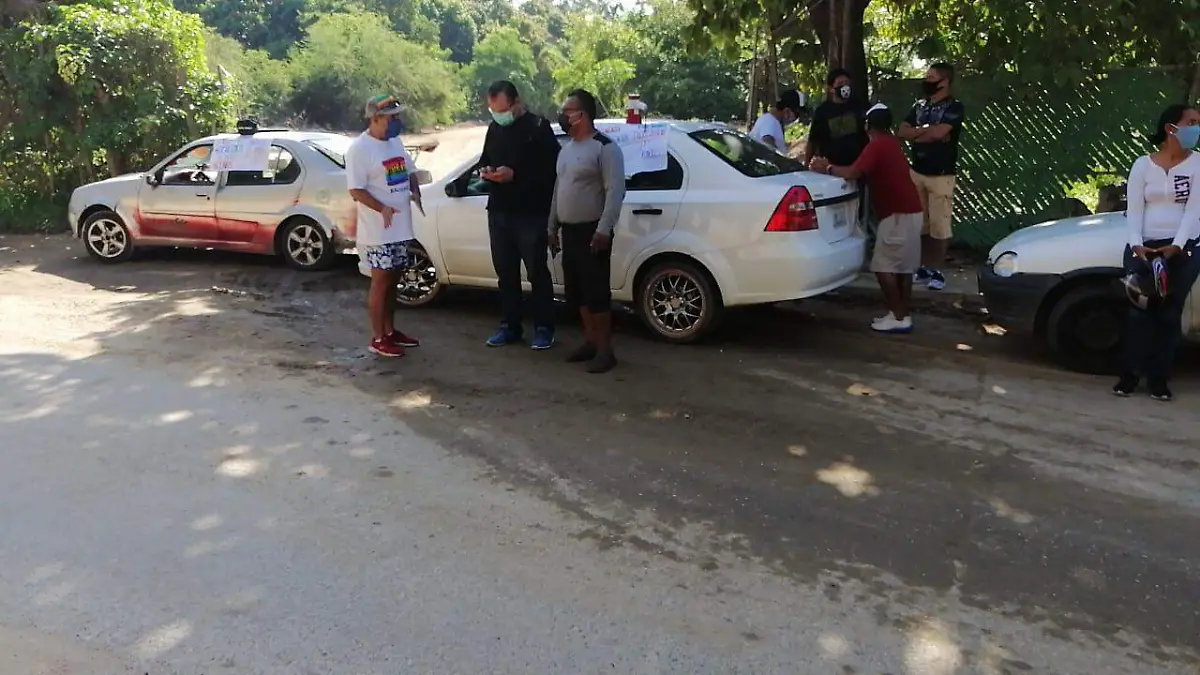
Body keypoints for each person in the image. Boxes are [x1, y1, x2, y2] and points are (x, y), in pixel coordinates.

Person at [810, 104, 924, 333]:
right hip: (910, 211)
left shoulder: (877, 145)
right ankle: (902, 315)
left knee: (883, 266)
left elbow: (853, 173)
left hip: (897, 214)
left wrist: (827, 167)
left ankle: (898, 316)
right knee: (903, 268)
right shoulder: (891, 143)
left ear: (867, 126)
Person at [1113, 104, 1200, 402]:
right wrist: (1137, 245)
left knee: (1169, 314)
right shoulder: (1142, 165)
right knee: (1138, 312)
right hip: (1144, 250)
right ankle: (1129, 374)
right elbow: (1135, 209)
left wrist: (1177, 245)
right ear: (1170, 128)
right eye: (1191, 122)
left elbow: (1194, 211)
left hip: (1183, 250)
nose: (1196, 129)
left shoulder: (1197, 164)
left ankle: (1159, 378)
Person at [478, 80, 562, 350]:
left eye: (502, 110)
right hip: (499, 211)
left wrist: (516, 175)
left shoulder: (538, 128)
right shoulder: (494, 129)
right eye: (493, 110)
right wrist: (486, 171)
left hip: (530, 214)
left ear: (516, 103)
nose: (498, 115)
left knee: (537, 272)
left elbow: (552, 172)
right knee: (506, 273)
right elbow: (484, 159)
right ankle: (510, 327)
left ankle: (544, 328)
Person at [548, 89, 626, 373]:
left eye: (567, 111)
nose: (562, 116)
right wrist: (551, 226)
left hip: (592, 232)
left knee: (596, 293)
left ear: (582, 115)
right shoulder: (566, 149)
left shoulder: (605, 148)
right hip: (569, 232)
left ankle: (606, 351)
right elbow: (559, 189)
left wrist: (604, 229)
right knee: (577, 292)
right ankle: (590, 342)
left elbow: (615, 191)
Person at [345, 94, 424, 358]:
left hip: (401, 228)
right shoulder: (360, 149)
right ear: (376, 118)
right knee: (380, 283)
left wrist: (415, 190)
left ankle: (391, 331)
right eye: (392, 117)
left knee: (393, 281)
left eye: (397, 116)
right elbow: (355, 190)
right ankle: (378, 338)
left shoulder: (394, 142)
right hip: (378, 231)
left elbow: (410, 171)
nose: (397, 122)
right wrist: (382, 208)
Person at [898, 62, 965, 291]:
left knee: (940, 226)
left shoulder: (954, 107)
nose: (926, 81)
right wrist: (925, 132)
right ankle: (923, 267)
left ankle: (938, 271)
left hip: (941, 175)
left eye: (931, 77)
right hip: (917, 172)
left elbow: (940, 133)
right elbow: (903, 131)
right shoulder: (919, 105)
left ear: (944, 82)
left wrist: (918, 133)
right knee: (921, 225)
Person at [804, 68, 867, 168]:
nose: (845, 86)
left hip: (857, 166)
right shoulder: (823, 111)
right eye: (840, 83)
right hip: (831, 167)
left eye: (847, 83)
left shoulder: (859, 107)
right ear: (831, 89)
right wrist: (806, 164)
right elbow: (813, 140)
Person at [749, 90, 806, 154]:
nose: (797, 118)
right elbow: (768, 146)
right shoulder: (770, 121)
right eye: (797, 114)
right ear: (787, 111)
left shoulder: (772, 120)